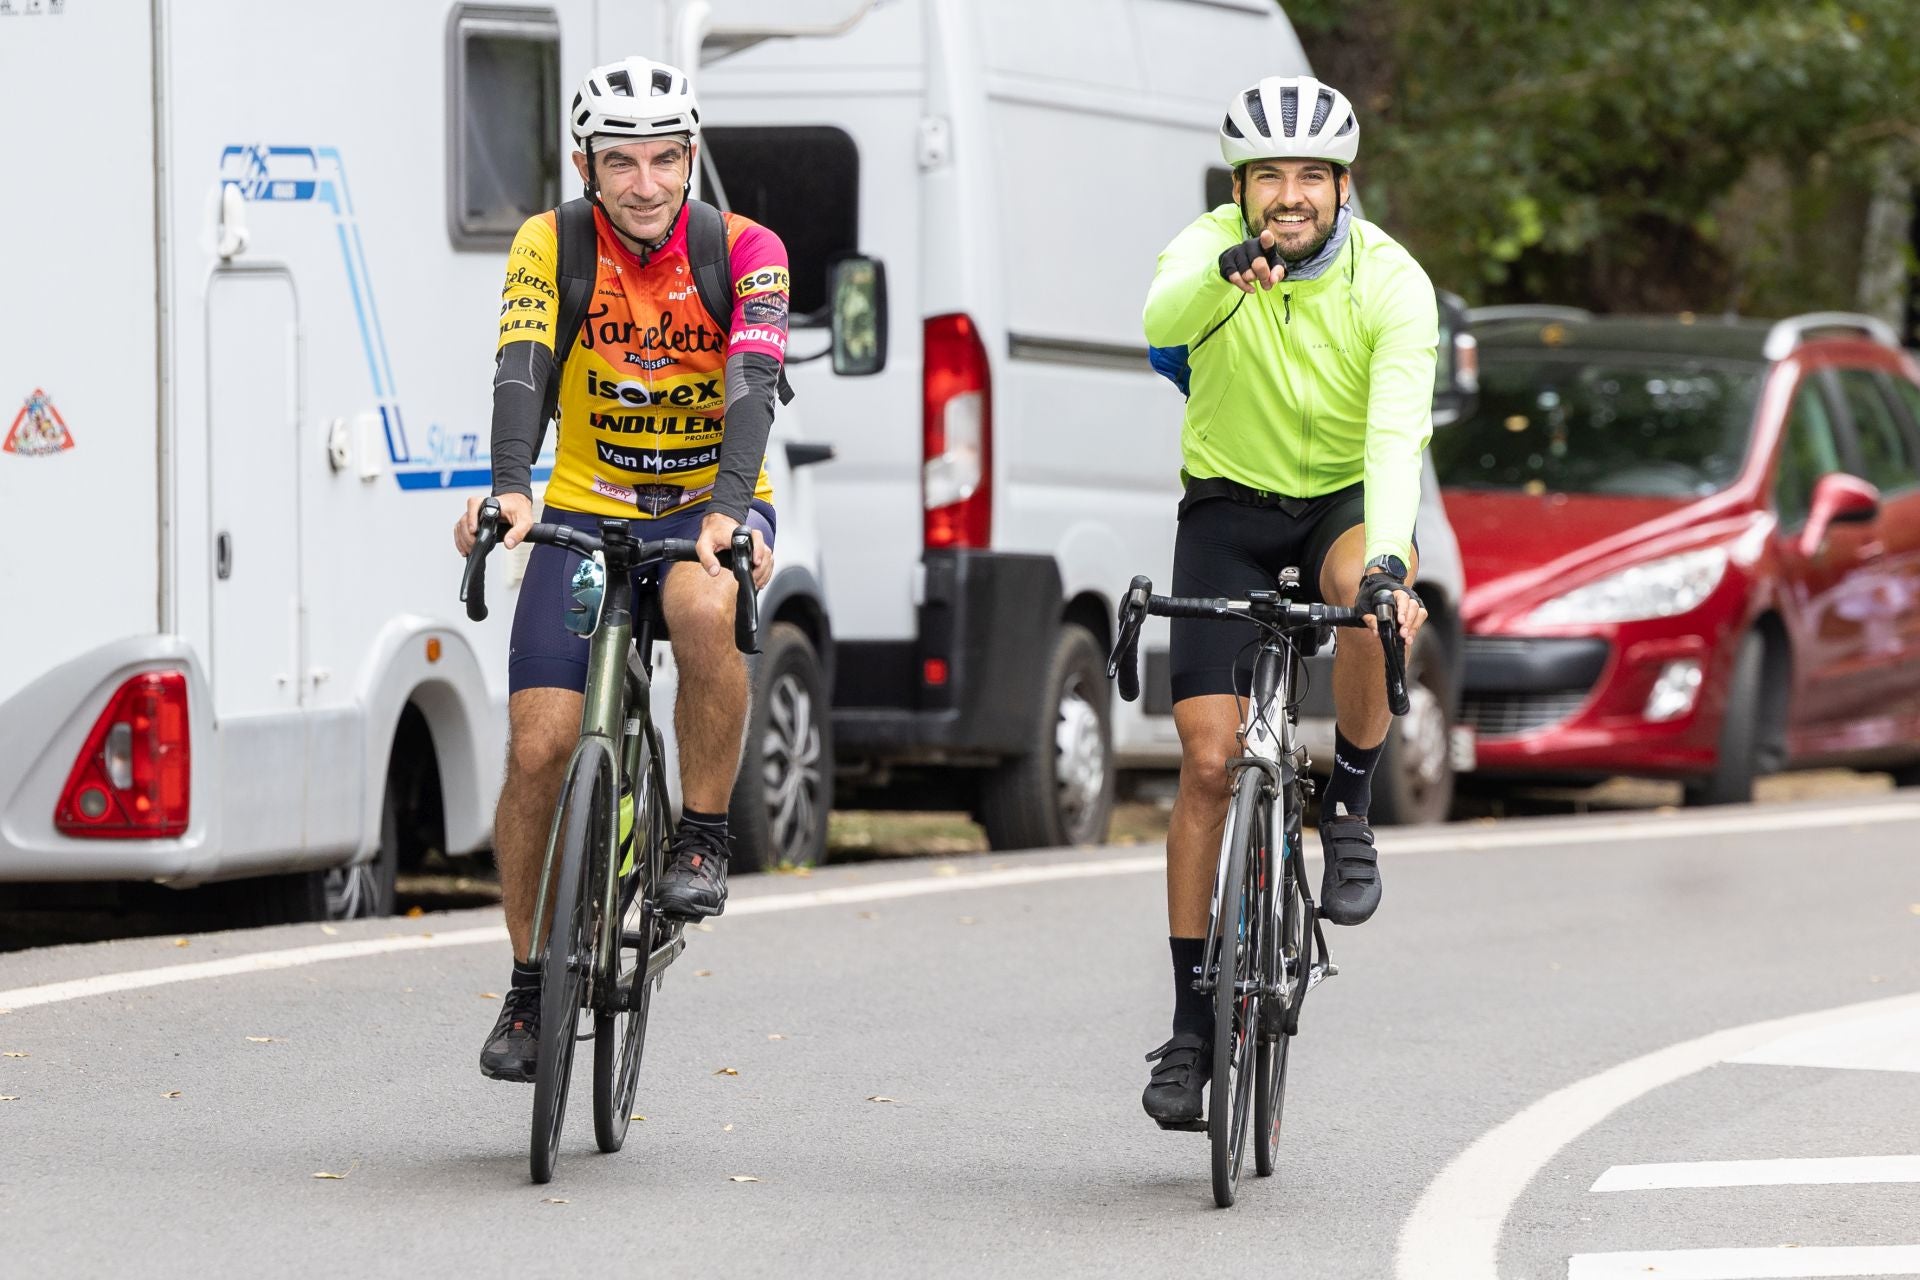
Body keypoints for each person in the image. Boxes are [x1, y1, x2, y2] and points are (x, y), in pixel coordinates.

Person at [453, 56, 790, 1083]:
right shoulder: (548, 243)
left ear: (690, 158)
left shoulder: (746, 250)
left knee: (701, 599)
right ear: (585, 162)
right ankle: (527, 982)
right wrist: (510, 487)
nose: (644, 183)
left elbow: (753, 384)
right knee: (540, 745)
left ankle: (699, 834)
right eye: (621, 161)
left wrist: (731, 515)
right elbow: (522, 362)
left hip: (707, 502)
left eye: (664, 159)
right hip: (588, 505)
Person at [1136, 75, 1435, 1126]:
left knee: (1366, 598)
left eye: (1312, 175)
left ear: (1345, 185)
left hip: (1347, 498)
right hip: (1226, 503)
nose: (1291, 194)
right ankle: (1187, 1028)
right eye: (1271, 176)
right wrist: (1225, 279)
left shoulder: (1393, 282)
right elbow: (1156, 315)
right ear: (1242, 186)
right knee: (1209, 764)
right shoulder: (1206, 250)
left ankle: (1347, 807)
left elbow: (1398, 433)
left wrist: (1394, 563)